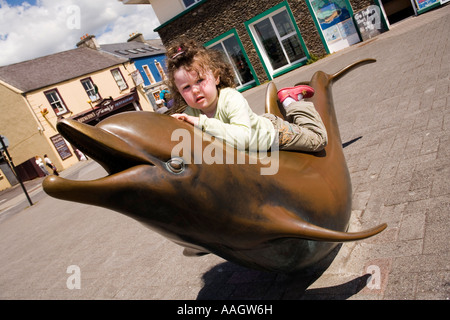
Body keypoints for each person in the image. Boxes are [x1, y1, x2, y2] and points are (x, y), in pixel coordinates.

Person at [167, 40, 327, 153]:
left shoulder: (230, 98)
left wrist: (201, 123)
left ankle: (291, 100)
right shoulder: (190, 114)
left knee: (318, 140)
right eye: (186, 87)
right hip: (250, 129)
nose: (195, 90)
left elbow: (244, 138)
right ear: (179, 93)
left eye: (200, 80)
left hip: (271, 135)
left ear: (216, 78)